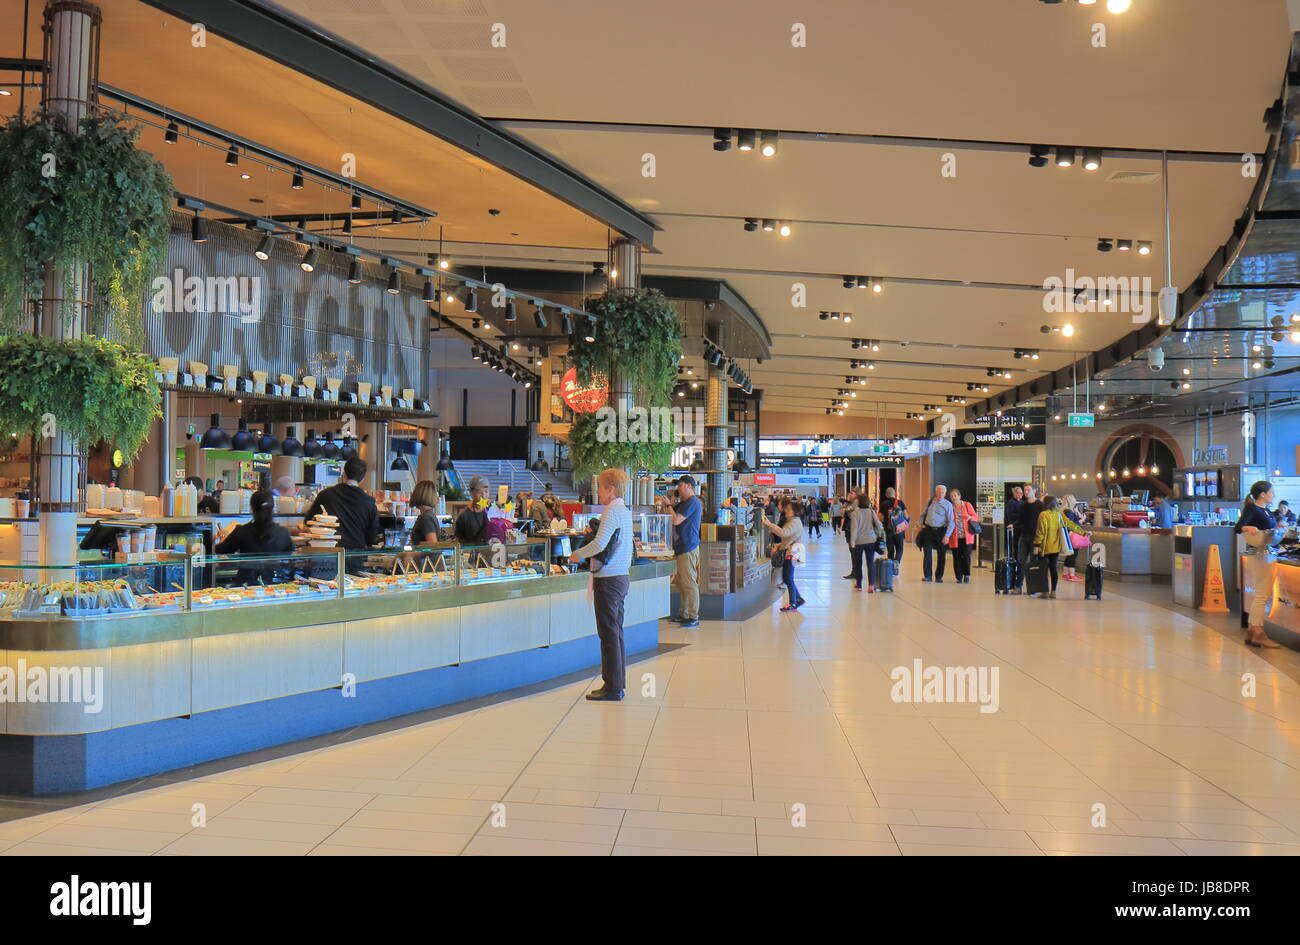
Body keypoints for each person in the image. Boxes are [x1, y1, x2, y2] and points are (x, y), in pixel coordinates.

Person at [569, 469, 635, 700]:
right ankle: (616, 682)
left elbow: (599, 544)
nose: (597, 492)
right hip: (621, 578)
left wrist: (576, 554)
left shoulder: (612, 512)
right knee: (615, 632)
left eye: (600, 487)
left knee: (608, 633)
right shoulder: (624, 511)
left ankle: (613, 687)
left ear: (610, 489)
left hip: (608, 580)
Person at [1236, 480, 1282, 648]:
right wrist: (1249, 528)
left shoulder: (1266, 510)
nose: (1274, 495)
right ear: (1263, 494)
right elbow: (1238, 527)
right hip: (1261, 554)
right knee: (1262, 595)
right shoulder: (1252, 508)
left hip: (1267, 553)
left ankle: (1252, 630)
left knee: (1260, 595)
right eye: (1271, 492)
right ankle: (1258, 632)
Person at [215, 490, 295, 586]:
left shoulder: (242, 531)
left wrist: (222, 537)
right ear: (273, 508)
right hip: (275, 586)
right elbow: (291, 554)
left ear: (252, 508)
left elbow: (221, 550)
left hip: (246, 585)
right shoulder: (283, 533)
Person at [303, 458, 381, 553]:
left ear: (344, 474)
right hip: (355, 557)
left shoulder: (326, 494)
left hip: (328, 554)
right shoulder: (369, 502)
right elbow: (371, 538)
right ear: (362, 480)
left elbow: (308, 521)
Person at [1032, 495, 1088, 599]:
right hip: (1055, 546)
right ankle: (1053, 592)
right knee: (1053, 568)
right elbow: (1071, 524)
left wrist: (1036, 545)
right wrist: (1083, 532)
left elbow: (1040, 532)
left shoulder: (1043, 515)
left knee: (1043, 569)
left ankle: (1044, 592)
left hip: (1044, 547)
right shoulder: (1059, 515)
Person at [666, 474, 702, 629]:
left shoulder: (693, 502)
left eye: (680, 486)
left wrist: (668, 506)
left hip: (688, 547)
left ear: (688, 486)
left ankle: (693, 616)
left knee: (689, 583)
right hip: (681, 547)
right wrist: (672, 503)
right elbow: (670, 517)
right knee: (681, 583)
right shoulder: (684, 503)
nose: (678, 489)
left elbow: (675, 520)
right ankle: (684, 614)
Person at [765, 498, 806, 611]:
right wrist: (779, 545)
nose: (786, 511)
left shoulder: (794, 522)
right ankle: (798, 599)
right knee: (787, 577)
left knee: (788, 578)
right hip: (791, 552)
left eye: (788, 510)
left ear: (795, 512)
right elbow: (788, 538)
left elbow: (784, 533)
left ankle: (793, 603)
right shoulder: (793, 522)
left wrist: (770, 525)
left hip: (791, 553)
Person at [848, 494, 885, 592]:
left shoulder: (855, 513)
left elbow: (854, 528)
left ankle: (859, 585)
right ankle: (871, 585)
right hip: (871, 541)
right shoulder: (871, 512)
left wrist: (852, 541)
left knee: (858, 563)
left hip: (858, 542)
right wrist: (877, 534)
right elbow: (880, 525)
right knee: (870, 563)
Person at [920, 485, 955, 583]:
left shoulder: (947, 504)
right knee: (927, 552)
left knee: (941, 554)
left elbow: (951, 521)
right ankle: (928, 576)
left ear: (945, 493)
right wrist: (919, 524)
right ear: (936, 492)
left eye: (942, 493)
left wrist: (947, 535)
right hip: (928, 530)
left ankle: (939, 576)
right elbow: (923, 514)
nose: (940, 494)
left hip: (941, 531)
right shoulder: (930, 501)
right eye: (939, 492)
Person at [1011, 484, 1043, 595]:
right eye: (1025, 490)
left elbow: (1042, 522)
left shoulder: (1040, 505)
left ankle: (1032, 588)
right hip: (1024, 536)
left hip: (1035, 538)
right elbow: (1020, 521)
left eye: (1028, 490)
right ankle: (1018, 586)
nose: (1026, 492)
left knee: (1033, 562)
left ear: (1034, 491)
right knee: (1020, 561)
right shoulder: (1023, 506)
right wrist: (1013, 525)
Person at [947, 487, 978, 584]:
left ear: (959, 496)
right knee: (956, 557)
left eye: (955, 495)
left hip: (967, 537)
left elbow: (976, 517)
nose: (953, 497)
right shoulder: (950, 507)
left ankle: (967, 575)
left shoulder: (967, 505)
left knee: (966, 556)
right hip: (955, 537)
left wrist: (969, 517)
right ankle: (959, 577)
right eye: (952, 496)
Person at [453, 475, 490, 544]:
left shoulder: (493, 511)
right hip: (471, 553)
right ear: (471, 493)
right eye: (480, 492)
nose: (484, 496)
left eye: (486, 491)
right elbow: (459, 541)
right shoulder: (464, 516)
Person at [879, 486, 908, 571]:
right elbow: (906, 516)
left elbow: (880, 517)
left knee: (890, 550)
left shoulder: (883, 504)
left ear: (886, 495)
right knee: (900, 548)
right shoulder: (900, 503)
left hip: (888, 531)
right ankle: (897, 562)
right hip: (899, 531)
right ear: (894, 494)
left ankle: (891, 567)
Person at [409, 479, 442, 546]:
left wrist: (406, 554)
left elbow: (432, 546)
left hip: (424, 557)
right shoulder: (429, 515)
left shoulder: (425, 518)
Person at [1060, 493, 1084, 582]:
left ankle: (1066, 574)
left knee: (1069, 554)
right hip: (1073, 535)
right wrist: (1081, 520)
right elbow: (1071, 524)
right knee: (1073, 555)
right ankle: (1072, 575)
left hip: (1067, 535)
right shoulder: (1068, 511)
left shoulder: (1064, 511)